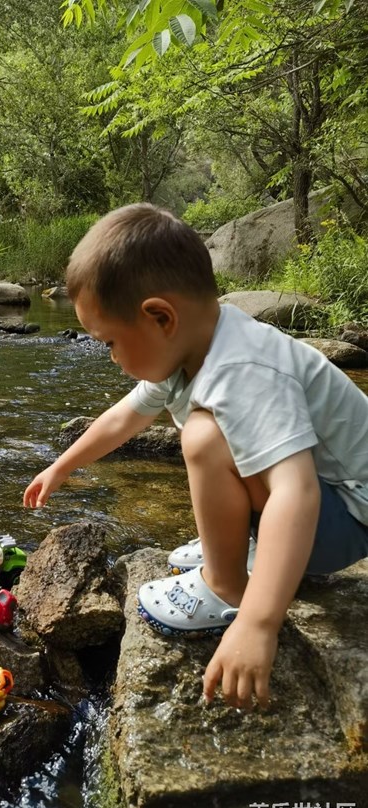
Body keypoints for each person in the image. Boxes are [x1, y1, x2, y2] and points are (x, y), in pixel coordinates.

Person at [23, 203, 368, 711]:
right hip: (326, 503)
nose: (112, 357)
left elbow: (297, 492)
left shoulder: (242, 370)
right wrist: (62, 466)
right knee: (209, 435)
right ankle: (232, 550)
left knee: (204, 436)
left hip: (347, 515)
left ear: (160, 316)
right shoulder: (193, 344)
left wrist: (259, 623)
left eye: (111, 342)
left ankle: (228, 588)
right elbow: (125, 417)